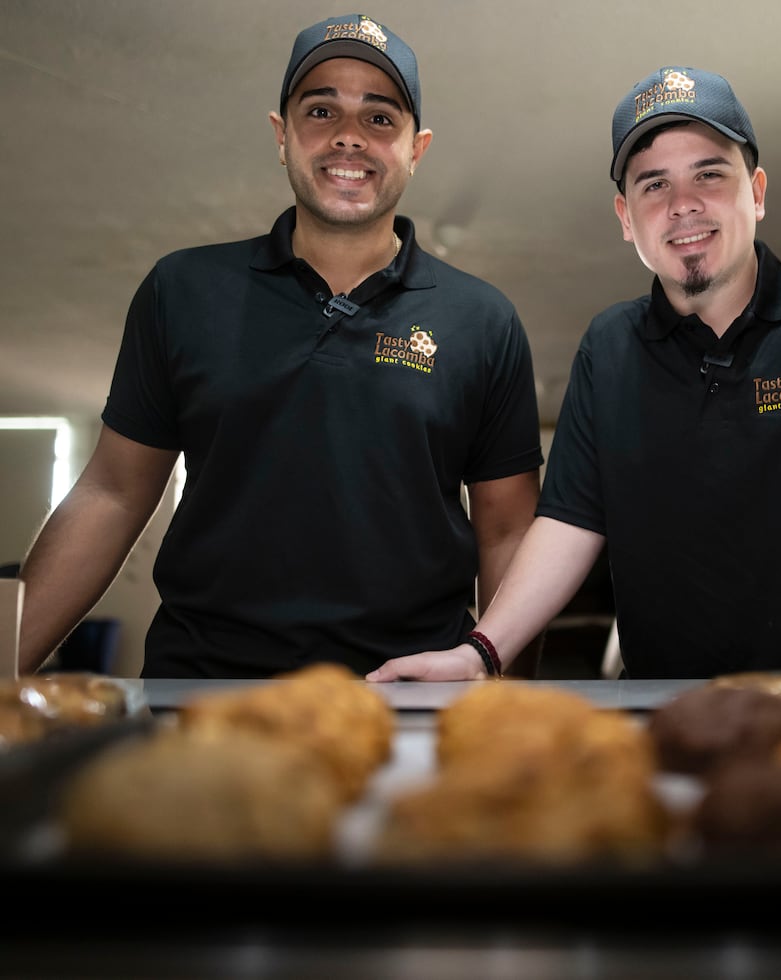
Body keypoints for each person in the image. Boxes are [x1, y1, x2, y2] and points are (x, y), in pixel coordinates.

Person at [367, 66, 781, 683]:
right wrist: (480, 654)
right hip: (674, 727)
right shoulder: (609, 349)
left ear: (758, 191)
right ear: (626, 217)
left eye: (709, 174)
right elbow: (569, 523)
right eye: (653, 184)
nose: (682, 204)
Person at [17, 14, 543, 678]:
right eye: (321, 110)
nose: (348, 135)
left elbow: (507, 532)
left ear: (417, 148)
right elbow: (112, 494)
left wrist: (509, 710)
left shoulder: (482, 319)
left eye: (380, 118)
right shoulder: (182, 289)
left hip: (410, 694)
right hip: (203, 690)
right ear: (281, 135)